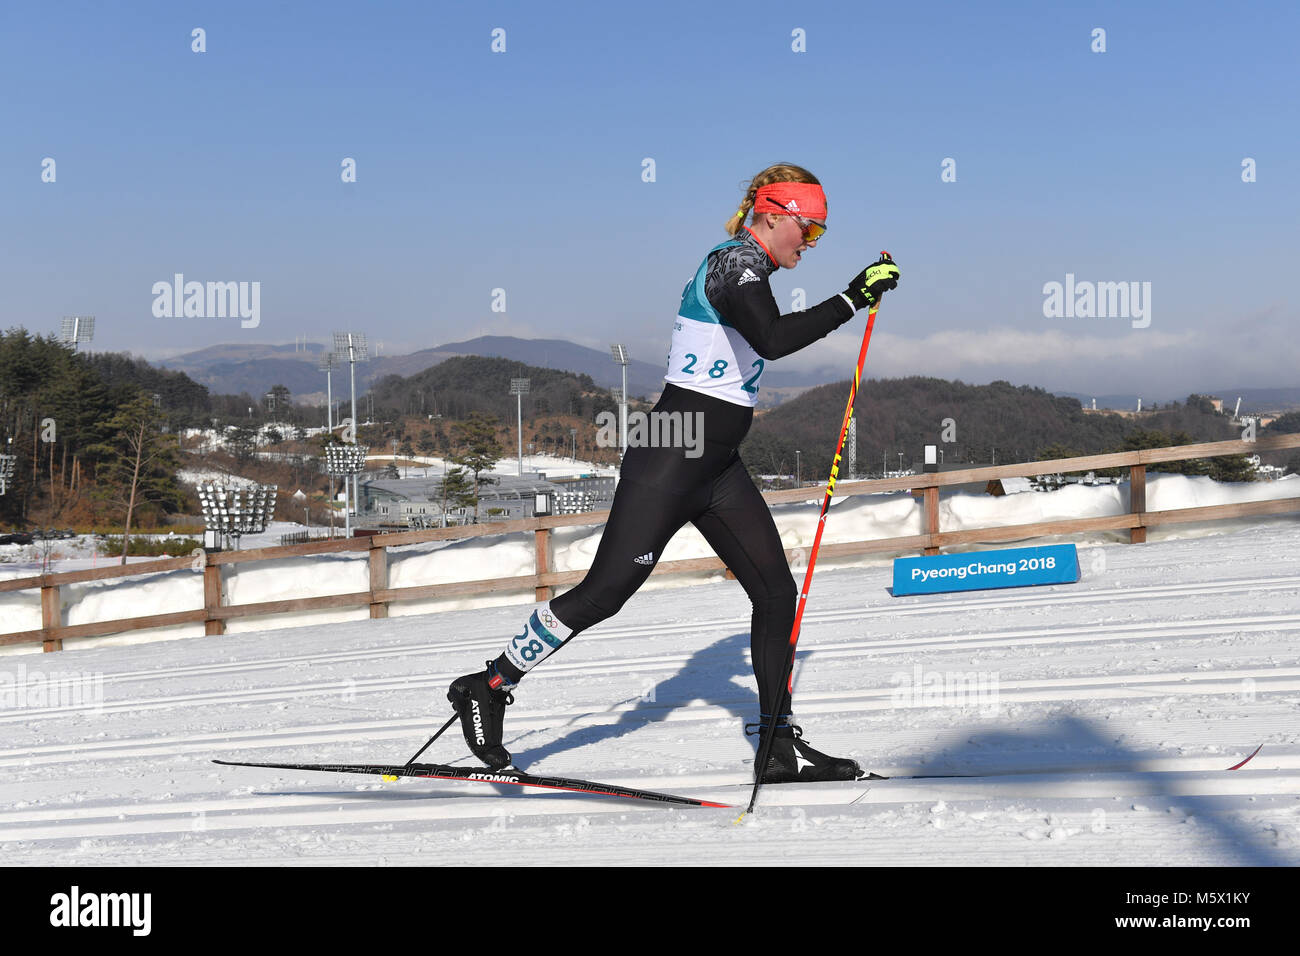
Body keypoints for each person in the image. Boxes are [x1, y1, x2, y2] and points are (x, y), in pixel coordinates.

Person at [448, 163, 899, 783]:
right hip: (670, 453)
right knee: (604, 594)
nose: (812, 243)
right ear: (775, 214)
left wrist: (853, 297)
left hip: (717, 466)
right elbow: (771, 339)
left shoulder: (753, 267)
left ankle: (777, 748)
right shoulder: (734, 264)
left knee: (776, 595)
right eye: (810, 229)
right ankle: (490, 684)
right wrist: (851, 298)